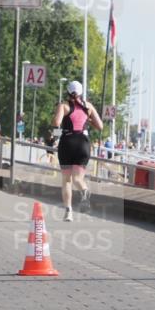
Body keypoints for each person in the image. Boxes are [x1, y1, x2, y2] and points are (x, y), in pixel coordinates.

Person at [53, 80, 102, 221]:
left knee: (67, 180)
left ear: (68, 92)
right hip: (83, 143)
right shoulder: (88, 106)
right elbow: (100, 126)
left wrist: (55, 118)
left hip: (68, 142)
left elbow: (57, 123)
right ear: (81, 92)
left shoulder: (64, 105)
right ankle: (84, 191)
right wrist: (88, 120)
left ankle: (68, 212)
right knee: (78, 179)